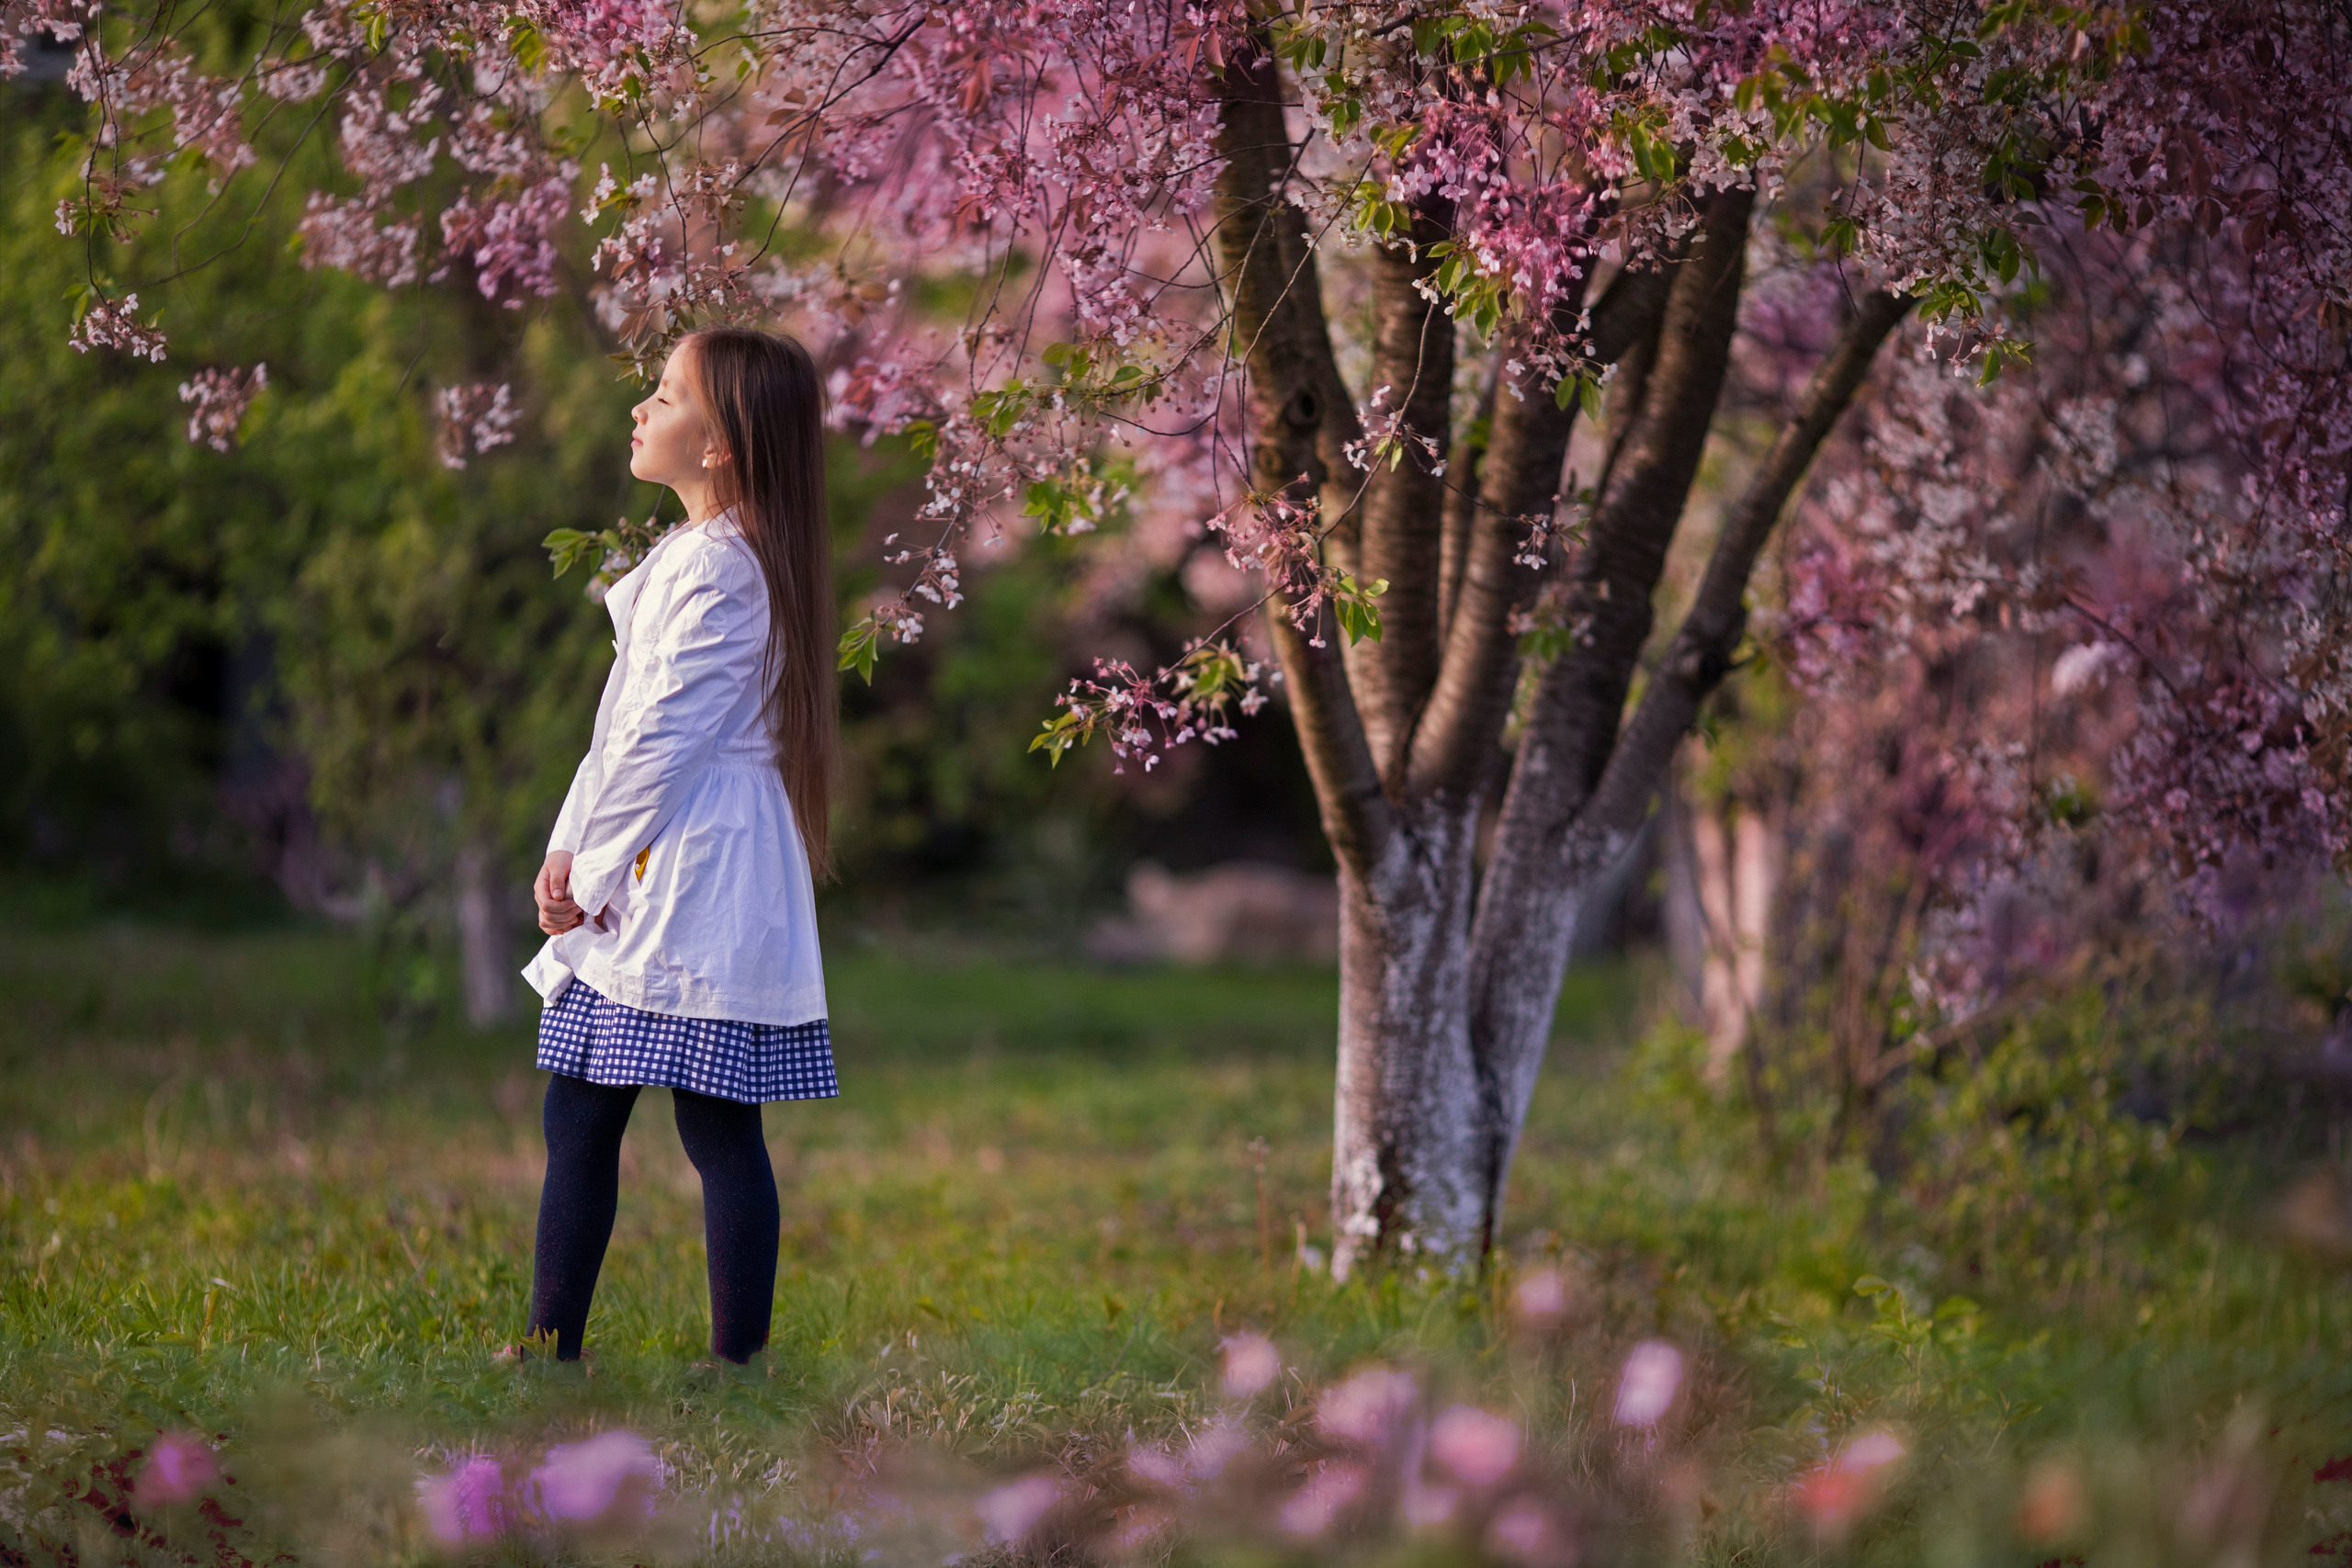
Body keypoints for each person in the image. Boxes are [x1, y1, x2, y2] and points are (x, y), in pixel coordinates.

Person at [513, 325, 839, 1367]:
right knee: (584, 1112)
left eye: (664, 395)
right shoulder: (702, 557)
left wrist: (590, 872)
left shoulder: (726, 570)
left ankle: (733, 1362)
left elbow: (660, 744)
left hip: (689, 869)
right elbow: (620, 730)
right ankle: (551, 1342)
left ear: (720, 444)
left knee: (714, 1127)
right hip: (654, 857)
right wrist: (566, 856)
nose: (641, 409)